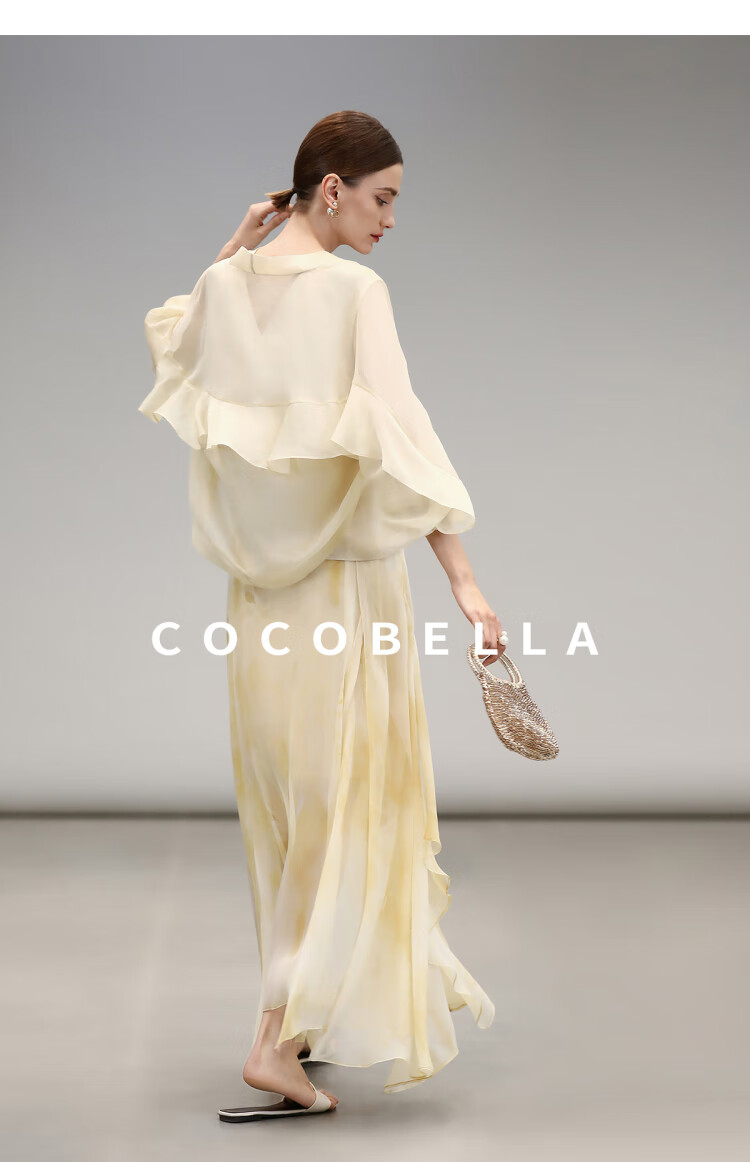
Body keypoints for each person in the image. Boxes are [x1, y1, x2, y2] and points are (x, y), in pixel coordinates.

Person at [138, 110, 505, 1121]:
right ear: (331, 187)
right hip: (348, 587)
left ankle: (307, 1017)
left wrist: (235, 244)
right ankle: (274, 1038)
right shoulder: (354, 293)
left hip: (262, 600)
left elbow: (176, 342)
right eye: (381, 197)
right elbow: (403, 435)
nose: (389, 220)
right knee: (353, 803)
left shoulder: (224, 288)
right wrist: (467, 582)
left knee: (294, 808)